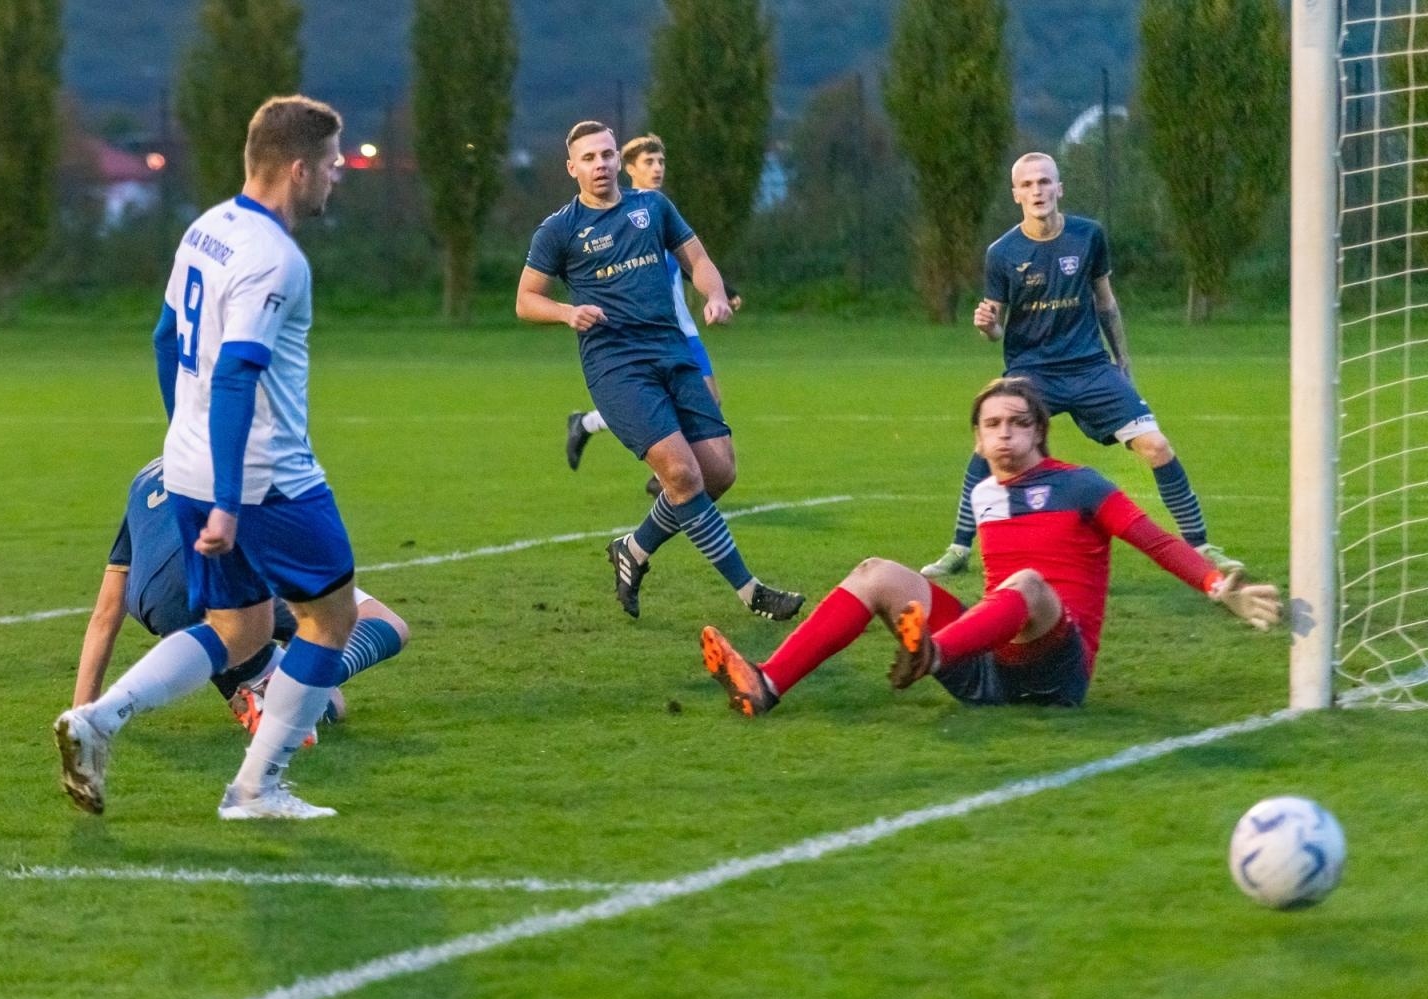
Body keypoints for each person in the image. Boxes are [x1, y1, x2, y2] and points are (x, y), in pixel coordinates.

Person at [55, 95, 409, 820]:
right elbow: (240, 369)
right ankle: (256, 787)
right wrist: (226, 494)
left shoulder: (206, 228)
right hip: (266, 478)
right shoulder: (276, 259)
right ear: (299, 167)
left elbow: (163, 338)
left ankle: (100, 715)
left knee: (235, 629)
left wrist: (185, 439)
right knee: (331, 618)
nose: (338, 177)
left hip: (185, 465)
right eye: (334, 164)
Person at [702, 377, 1279, 715]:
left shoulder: (1082, 484)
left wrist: (1219, 585)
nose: (1004, 433)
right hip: (986, 667)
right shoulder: (982, 494)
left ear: (1038, 431)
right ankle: (767, 682)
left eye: (1017, 423)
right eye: (992, 424)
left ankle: (931, 653)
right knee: (876, 571)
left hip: (1056, 674)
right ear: (977, 438)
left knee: (1026, 584)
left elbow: (1153, 541)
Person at [517, 120, 803, 622]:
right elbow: (525, 300)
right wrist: (567, 313)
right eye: (589, 158)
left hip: (673, 353)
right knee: (681, 473)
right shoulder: (559, 229)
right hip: (617, 367)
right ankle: (751, 592)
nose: (601, 164)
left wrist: (714, 295)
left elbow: (698, 259)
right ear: (572, 168)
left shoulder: (652, 208)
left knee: (718, 474)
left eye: (607, 154)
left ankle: (634, 548)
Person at [921, 152, 1244, 581]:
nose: (1037, 191)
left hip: (1091, 367)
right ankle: (959, 547)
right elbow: (995, 329)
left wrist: (1123, 361)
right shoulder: (1001, 253)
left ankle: (1202, 546)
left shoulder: (1088, 235)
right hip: (1031, 372)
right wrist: (988, 327)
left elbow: (1106, 302)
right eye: (1028, 185)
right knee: (991, 446)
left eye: (1045, 182)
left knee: (1157, 446)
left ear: (1059, 188)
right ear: (1016, 194)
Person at [72, 457, 409, 743]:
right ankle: (293, 679)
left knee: (326, 706)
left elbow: (105, 614)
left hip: (161, 603)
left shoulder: (145, 476)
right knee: (381, 622)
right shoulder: (243, 445)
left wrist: (81, 712)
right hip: (222, 565)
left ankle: (99, 717)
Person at [564, 132, 741, 497]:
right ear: (626, 168)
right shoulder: (615, 220)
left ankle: (592, 426)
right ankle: (672, 478)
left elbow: (691, 260)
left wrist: (723, 293)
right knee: (673, 407)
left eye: (661, 162)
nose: (658, 168)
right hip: (643, 338)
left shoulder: (656, 210)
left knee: (708, 402)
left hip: (682, 333)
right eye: (648, 162)